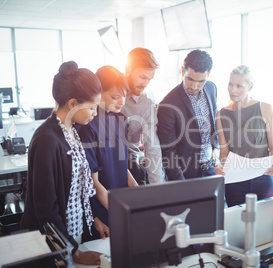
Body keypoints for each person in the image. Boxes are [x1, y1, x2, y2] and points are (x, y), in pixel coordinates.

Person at [21, 61, 106, 265]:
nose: (95, 113)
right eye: (92, 107)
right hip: (50, 246)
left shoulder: (71, 130)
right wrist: (73, 253)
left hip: (69, 236)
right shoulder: (47, 139)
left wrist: (93, 219)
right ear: (72, 103)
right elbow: (46, 210)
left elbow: (76, 189)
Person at [78, 65, 138, 241]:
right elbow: (91, 183)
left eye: (124, 96)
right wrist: (117, 211)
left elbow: (120, 166)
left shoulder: (121, 120)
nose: (122, 102)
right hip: (102, 209)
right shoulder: (87, 126)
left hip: (121, 204)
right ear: (97, 93)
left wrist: (139, 193)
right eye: (115, 96)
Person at [214, 65, 273, 207]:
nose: (233, 90)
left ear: (250, 87)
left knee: (266, 224)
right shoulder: (221, 114)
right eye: (230, 84)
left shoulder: (265, 108)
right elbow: (224, 152)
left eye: (239, 86)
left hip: (263, 177)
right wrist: (222, 165)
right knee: (237, 225)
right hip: (235, 182)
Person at [157, 49, 218, 180]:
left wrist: (217, 152)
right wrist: (181, 184)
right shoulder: (168, 105)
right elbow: (168, 153)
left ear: (209, 75)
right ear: (183, 70)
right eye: (190, 79)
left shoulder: (211, 88)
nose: (194, 86)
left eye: (201, 81)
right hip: (187, 175)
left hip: (211, 168)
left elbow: (214, 124)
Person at [122, 47, 165, 184]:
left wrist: (157, 187)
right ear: (128, 69)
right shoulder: (106, 93)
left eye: (149, 79)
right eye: (142, 77)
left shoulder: (146, 105)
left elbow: (152, 148)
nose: (145, 84)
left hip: (132, 165)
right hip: (102, 167)